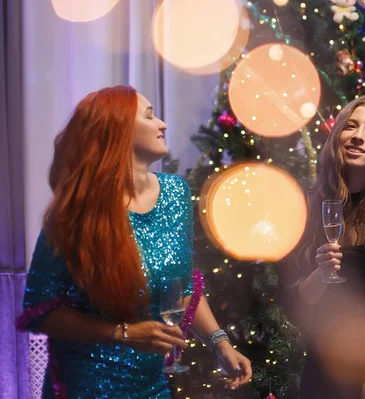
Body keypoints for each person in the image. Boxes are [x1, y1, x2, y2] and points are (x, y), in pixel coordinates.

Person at [17, 85, 252, 398]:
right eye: (150, 116)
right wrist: (124, 334)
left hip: (152, 387)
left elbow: (181, 290)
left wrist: (221, 344)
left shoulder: (175, 194)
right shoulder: (75, 211)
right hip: (86, 388)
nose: (162, 125)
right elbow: (40, 311)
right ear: (118, 131)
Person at [278, 95, 365, 399]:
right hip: (324, 367)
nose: (358, 137)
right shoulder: (305, 206)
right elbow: (292, 304)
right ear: (337, 136)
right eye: (351, 127)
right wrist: (320, 272)